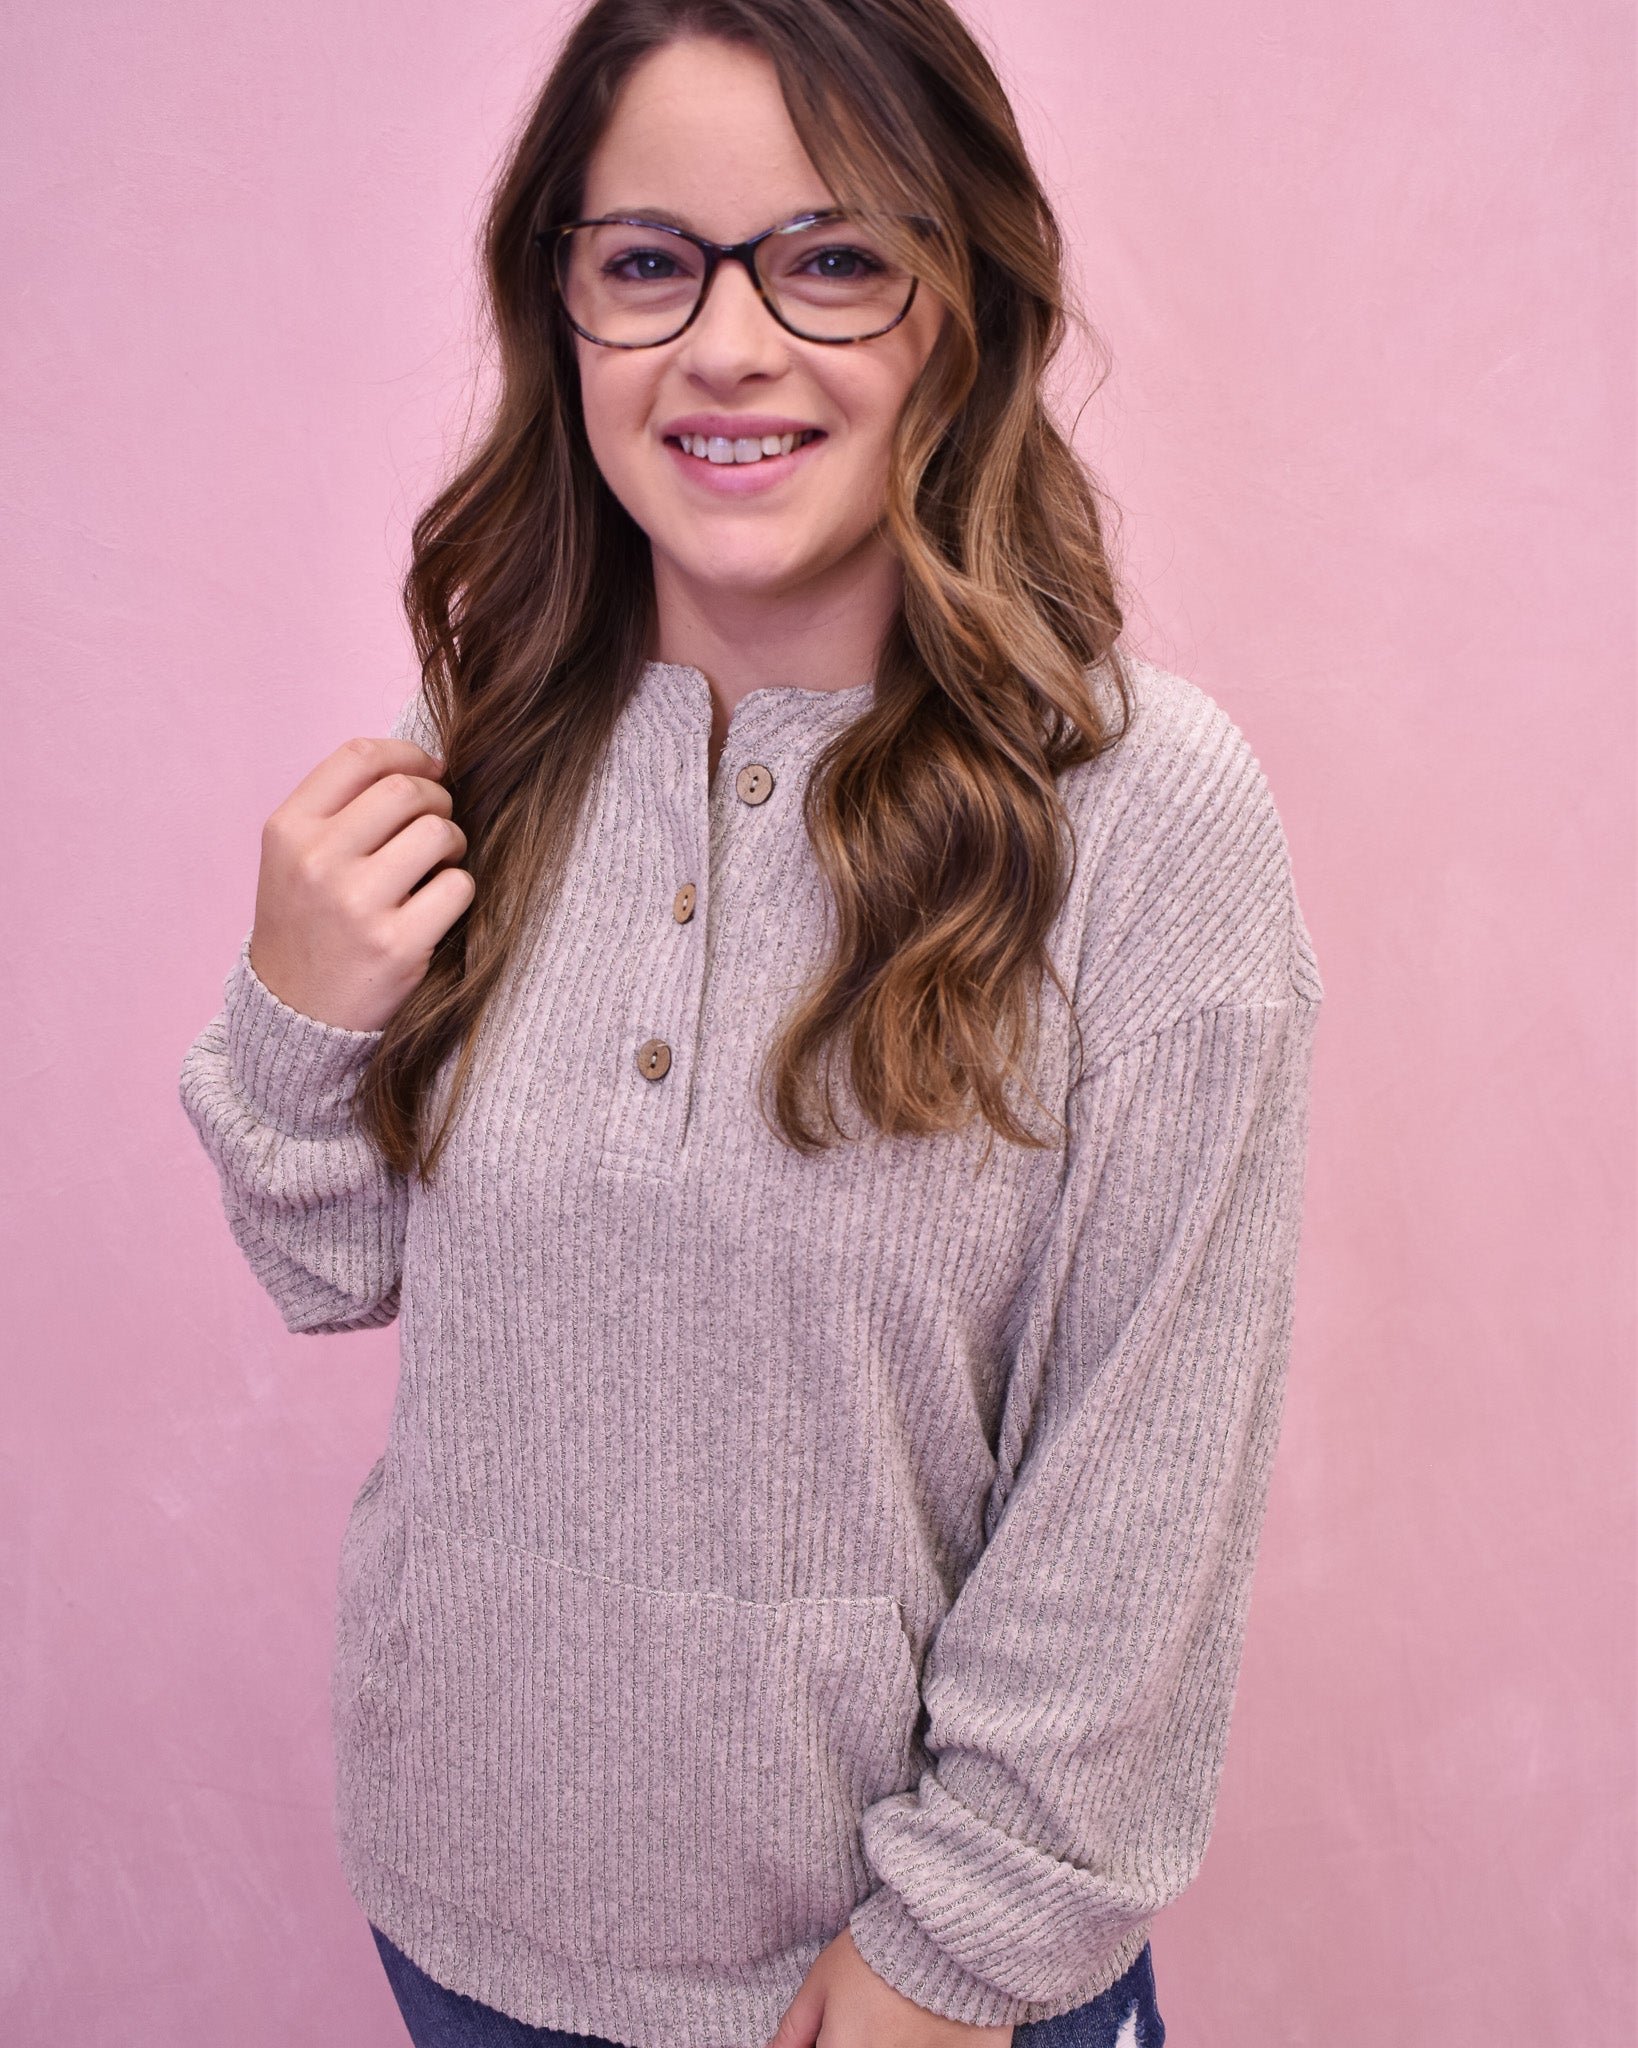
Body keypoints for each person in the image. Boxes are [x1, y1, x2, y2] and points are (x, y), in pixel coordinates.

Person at [178, 2, 1323, 2044]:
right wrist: (292, 1012)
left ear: (958, 296)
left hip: (895, 1991)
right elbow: (330, 1266)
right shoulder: (490, 740)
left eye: (830, 257)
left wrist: (949, 1956)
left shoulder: (1148, 818)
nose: (728, 343)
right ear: (565, 308)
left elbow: (1146, 1475)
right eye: (649, 263)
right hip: (465, 1931)